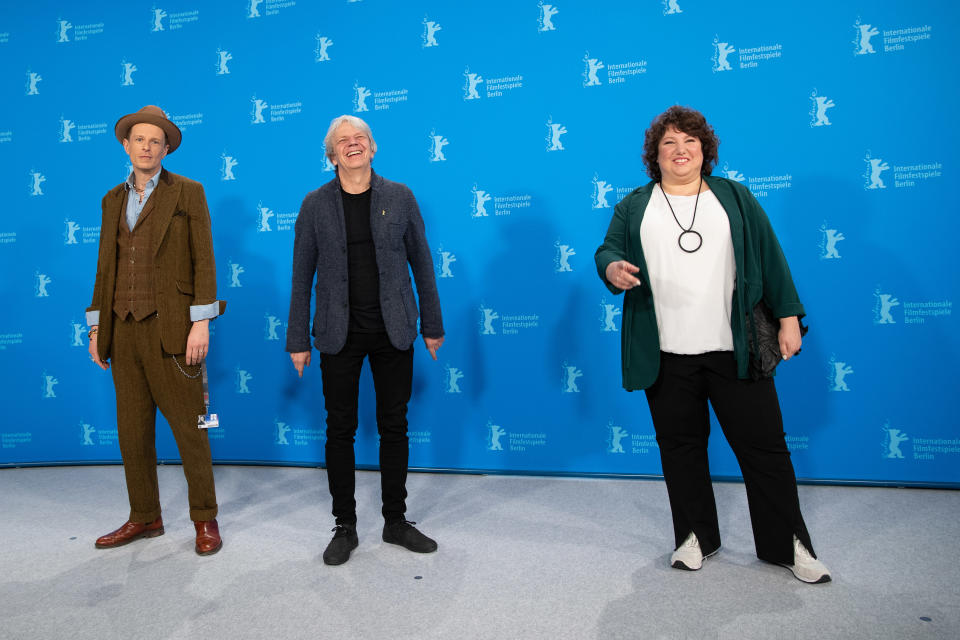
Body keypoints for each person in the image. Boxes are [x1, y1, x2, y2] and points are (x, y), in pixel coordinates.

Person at [594, 105, 830, 584]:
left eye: (690, 143)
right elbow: (608, 250)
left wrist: (788, 318)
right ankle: (695, 537)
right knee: (680, 448)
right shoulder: (634, 205)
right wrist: (612, 270)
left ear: (705, 151)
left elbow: (771, 257)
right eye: (669, 144)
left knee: (765, 450)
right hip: (665, 355)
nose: (680, 151)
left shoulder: (735, 198)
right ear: (654, 156)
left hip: (734, 350)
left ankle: (789, 545)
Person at [287, 115, 445, 566]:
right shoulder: (314, 205)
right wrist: (298, 338)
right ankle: (345, 525)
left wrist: (431, 326)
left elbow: (423, 265)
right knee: (340, 430)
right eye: (343, 141)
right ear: (332, 155)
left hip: (394, 331)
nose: (353, 145)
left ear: (373, 148)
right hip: (338, 336)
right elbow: (301, 278)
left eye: (360, 139)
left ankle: (396, 521)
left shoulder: (400, 197)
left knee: (394, 425)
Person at [86, 105, 225, 556]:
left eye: (155, 141)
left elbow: (204, 259)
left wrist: (200, 322)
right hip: (122, 332)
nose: (146, 147)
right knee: (132, 430)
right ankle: (144, 516)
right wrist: (96, 328)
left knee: (192, 428)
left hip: (175, 331)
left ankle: (205, 518)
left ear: (166, 148)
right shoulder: (110, 200)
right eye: (138, 139)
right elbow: (106, 268)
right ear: (126, 146)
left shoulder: (189, 192)